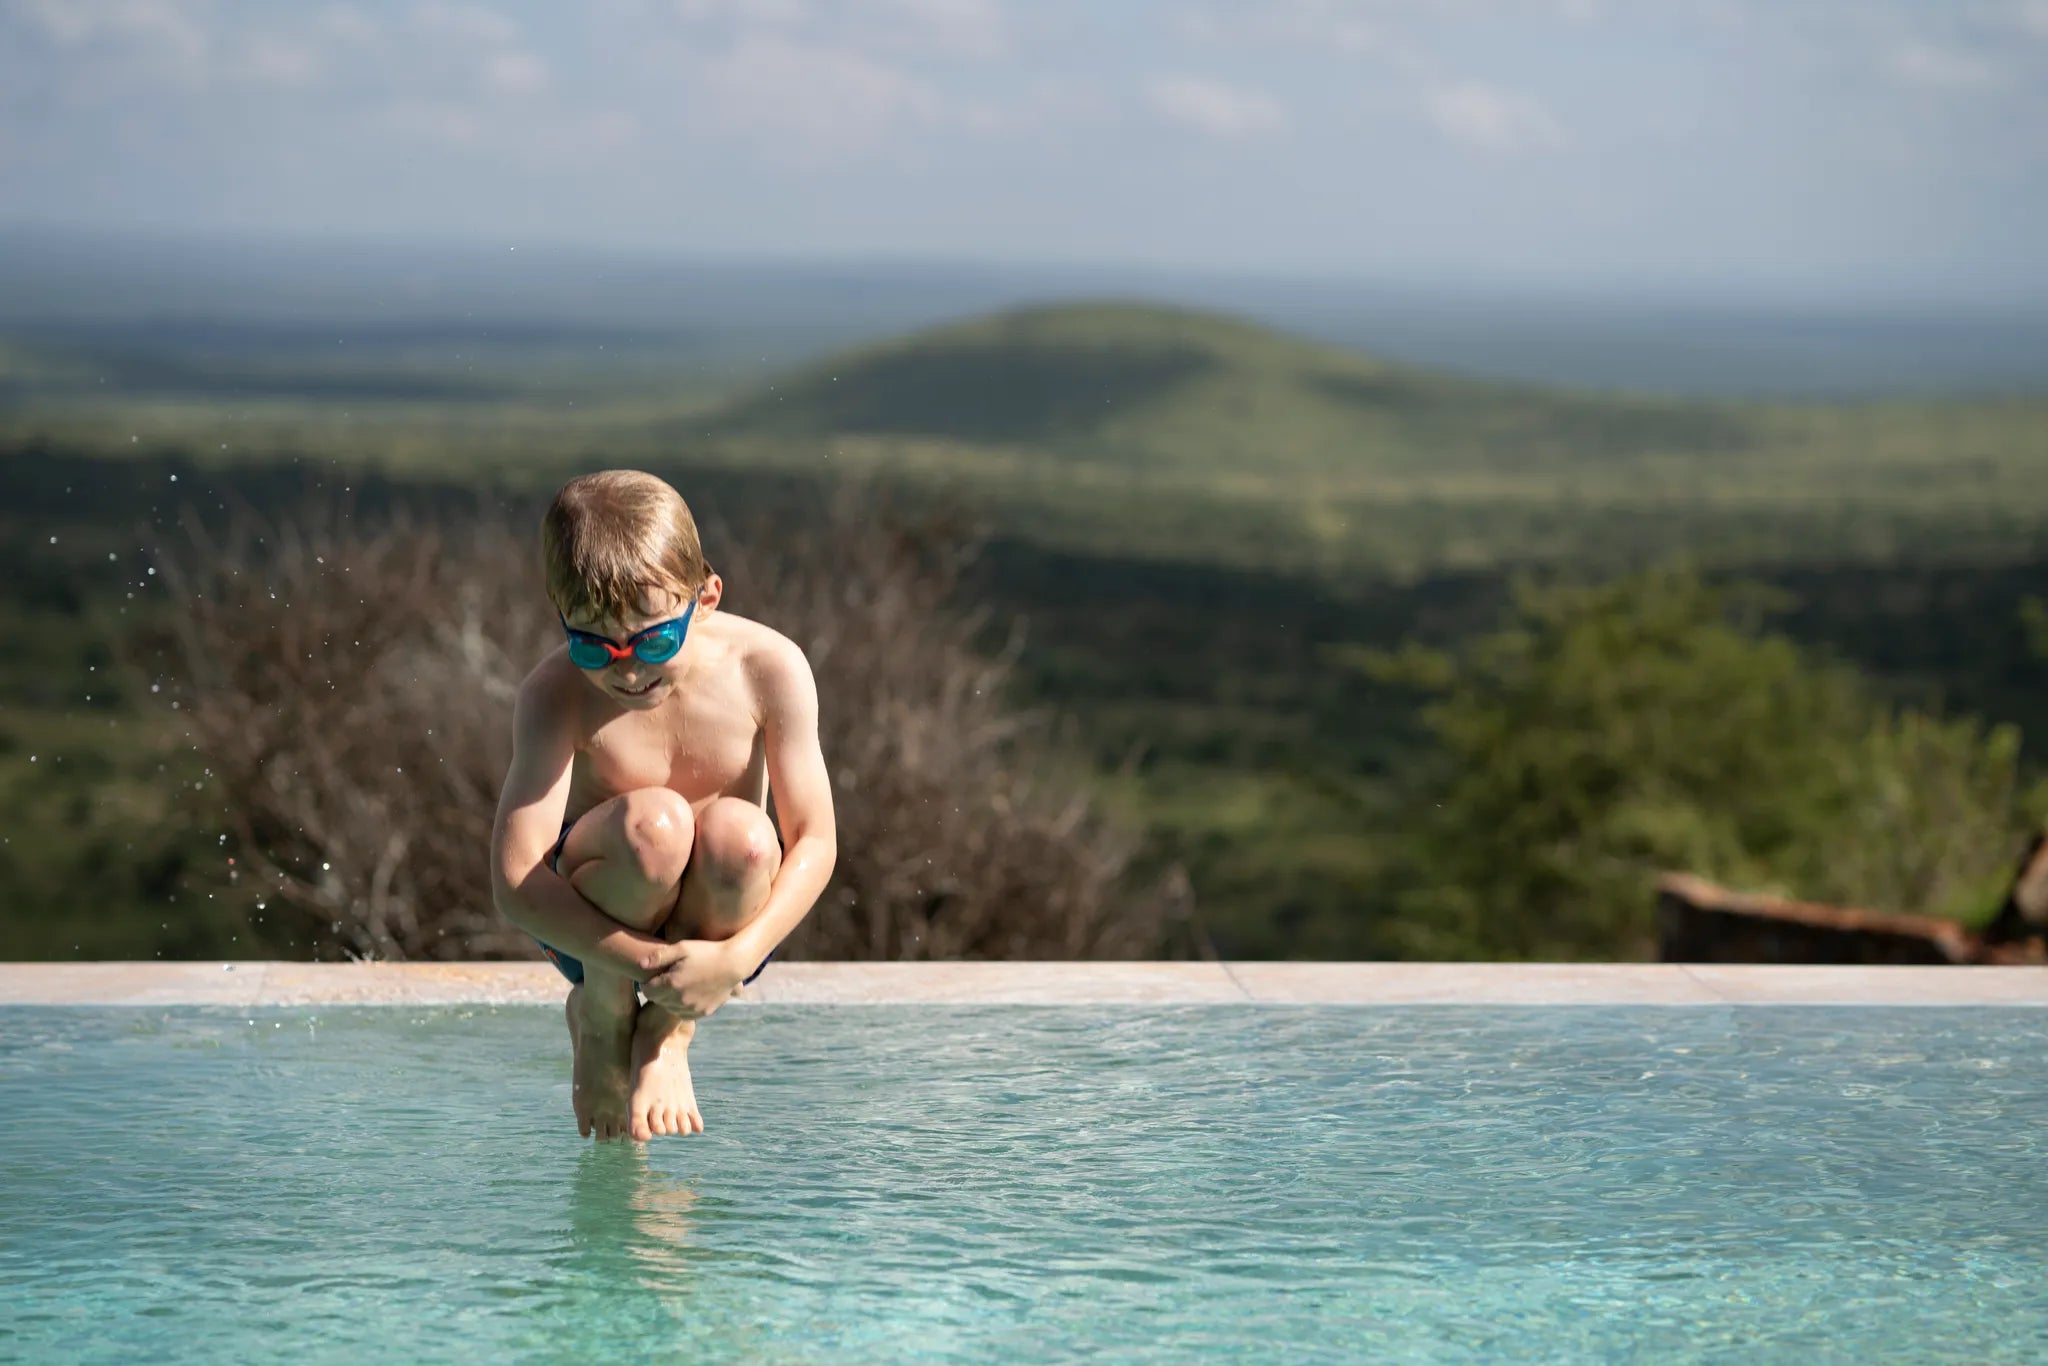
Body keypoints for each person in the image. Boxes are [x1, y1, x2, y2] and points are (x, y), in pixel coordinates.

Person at [490, 470, 837, 1142]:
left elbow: (816, 840)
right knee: (655, 826)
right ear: (558, 614)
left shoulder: (768, 668)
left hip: (723, 927)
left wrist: (737, 960)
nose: (626, 669)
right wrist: (644, 966)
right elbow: (515, 882)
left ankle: (667, 1037)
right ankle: (603, 1017)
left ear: (704, 597)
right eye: (592, 643)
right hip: (593, 931)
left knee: (745, 836)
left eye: (652, 640)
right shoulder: (554, 694)